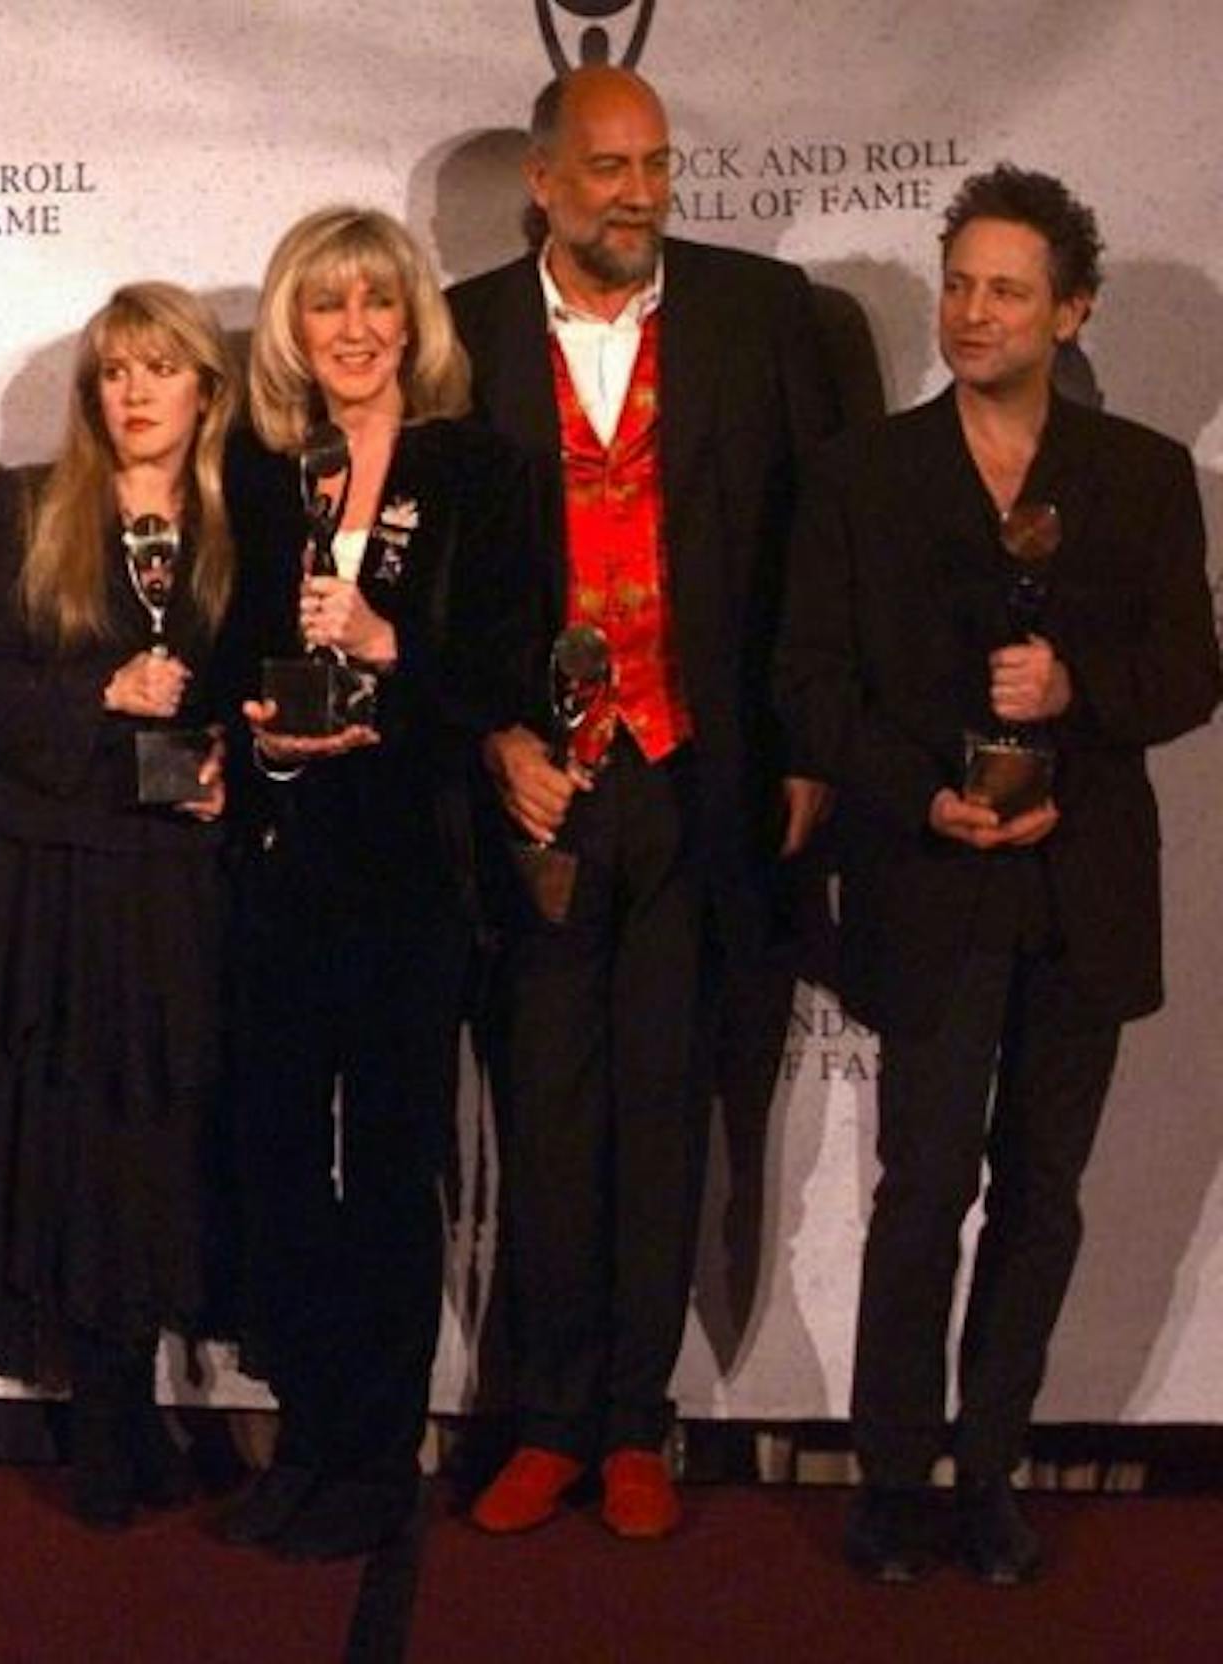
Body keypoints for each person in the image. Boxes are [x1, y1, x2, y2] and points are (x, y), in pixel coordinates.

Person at [778, 166, 1220, 1585]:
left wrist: (1077, 690)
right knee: (921, 1191)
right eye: (960, 284)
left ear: (1069, 309)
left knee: (1043, 1192)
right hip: (931, 879)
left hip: (1081, 894)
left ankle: (990, 1475)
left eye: (1007, 290)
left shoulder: (1147, 478)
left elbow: (1189, 676)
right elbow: (809, 685)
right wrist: (923, 798)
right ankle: (892, 1480)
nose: (973, 311)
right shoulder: (862, 477)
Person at [447, 64, 838, 1538]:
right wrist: (495, 737)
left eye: (655, 166)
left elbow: (817, 555)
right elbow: (434, 581)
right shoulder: (463, 331)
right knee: (547, 1112)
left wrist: (804, 749)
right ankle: (546, 1420)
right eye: (606, 168)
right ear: (541, 182)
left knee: (665, 1111)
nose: (636, 194)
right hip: (541, 797)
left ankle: (632, 1425)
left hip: (699, 781)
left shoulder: (761, 314)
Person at [217, 206, 535, 1562]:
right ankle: (308, 1429)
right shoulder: (266, 467)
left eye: (375, 304)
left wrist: (389, 643)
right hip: (285, 865)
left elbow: (507, 680)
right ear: (292, 328)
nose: (351, 330)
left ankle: (379, 1450)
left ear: (414, 320)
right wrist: (265, 741)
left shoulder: (484, 474)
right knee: (281, 1157)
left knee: (393, 1164)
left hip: (416, 869)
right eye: (324, 306)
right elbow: (235, 650)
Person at [0, 282, 236, 1529]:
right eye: (115, 372)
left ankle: (147, 1393)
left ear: (205, 390)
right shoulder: (24, 507)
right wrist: (103, 699)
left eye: (161, 369)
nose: (135, 393)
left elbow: (260, 691)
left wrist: (227, 769)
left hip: (181, 876)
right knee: (66, 1134)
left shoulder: (245, 518)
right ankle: (101, 1414)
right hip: (49, 876)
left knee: (163, 1131)